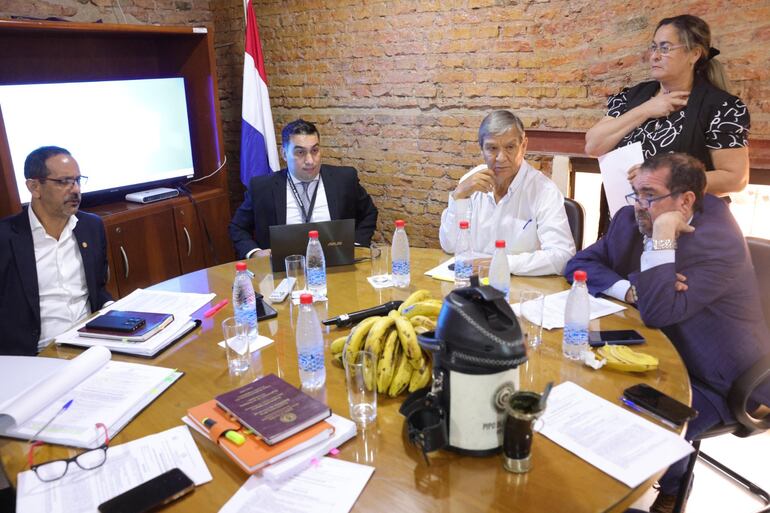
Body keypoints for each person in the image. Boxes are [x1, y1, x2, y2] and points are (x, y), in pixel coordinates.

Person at [564, 153, 770, 513]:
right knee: (581, 394)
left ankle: (673, 486)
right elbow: (578, 264)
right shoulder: (631, 217)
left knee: (627, 432)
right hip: (658, 349)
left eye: (649, 195)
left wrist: (662, 238)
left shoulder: (716, 240)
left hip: (715, 377)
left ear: (685, 201)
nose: (637, 205)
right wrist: (632, 290)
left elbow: (658, 311)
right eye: (635, 193)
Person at [585, 14, 750, 235]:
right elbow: (593, 145)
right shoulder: (633, 97)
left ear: (694, 54)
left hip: (684, 228)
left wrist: (665, 179)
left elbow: (735, 178)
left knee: (663, 258)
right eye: (653, 47)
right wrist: (646, 109)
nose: (654, 56)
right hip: (626, 223)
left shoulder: (720, 106)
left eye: (665, 48)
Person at [0, 146, 112, 356]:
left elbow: (98, 288)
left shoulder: (91, 226)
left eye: (77, 180)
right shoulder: (5, 238)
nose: (75, 189)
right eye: (64, 182)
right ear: (34, 187)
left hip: (92, 343)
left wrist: (114, 310)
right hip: (35, 355)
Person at [439, 110, 575, 276]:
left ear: (523, 146)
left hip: (521, 284)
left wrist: (503, 264)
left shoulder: (544, 191)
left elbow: (562, 256)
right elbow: (450, 245)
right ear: (481, 149)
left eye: (510, 147)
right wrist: (458, 196)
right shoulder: (470, 183)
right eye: (492, 148)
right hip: (472, 281)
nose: (501, 158)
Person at [229, 119, 378, 258]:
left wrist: (356, 245)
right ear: (284, 154)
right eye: (300, 152)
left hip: (337, 264)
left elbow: (369, 213)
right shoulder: (262, 187)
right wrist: (255, 253)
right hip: (285, 268)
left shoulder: (344, 179)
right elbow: (237, 227)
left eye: (315, 150)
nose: (310, 161)